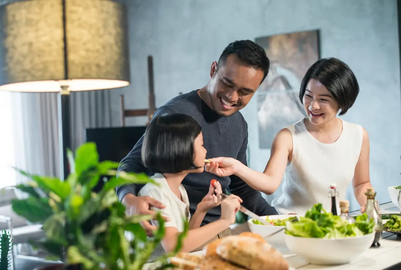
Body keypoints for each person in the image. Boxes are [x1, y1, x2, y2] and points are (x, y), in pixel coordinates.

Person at [117, 40, 277, 235]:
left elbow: (241, 187)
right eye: (227, 83)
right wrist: (129, 201)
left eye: (245, 92)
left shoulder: (239, 124)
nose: (232, 97)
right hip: (179, 231)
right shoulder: (175, 113)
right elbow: (131, 164)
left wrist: (279, 221)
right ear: (213, 70)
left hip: (220, 229)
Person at [205, 57, 373, 215]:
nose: (313, 105)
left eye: (323, 99)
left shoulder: (358, 135)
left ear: (342, 100)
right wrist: (236, 167)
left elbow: (361, 184)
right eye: (308, 96)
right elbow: (270, 183)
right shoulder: (288, 137)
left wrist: (369, 205)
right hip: (289, 226)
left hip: (330, 227)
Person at [138, 114, 242, 255]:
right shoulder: (154, 192)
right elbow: (174, 245)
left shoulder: (180, 189)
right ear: (182, 149)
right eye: (201, 144)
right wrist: (224, 220)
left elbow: (186, 241)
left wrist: (201, 209)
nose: (205, 151)